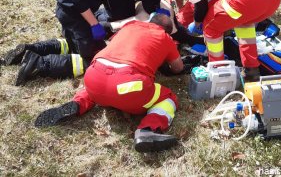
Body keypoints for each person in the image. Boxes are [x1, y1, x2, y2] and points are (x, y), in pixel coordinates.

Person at [34, 15, 183, 153]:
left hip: (94, 75)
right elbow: (178, 68)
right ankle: (148, 130)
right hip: (128, 85)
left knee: (100, 86)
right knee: (168, 98)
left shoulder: (130, 26)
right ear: (167, 31)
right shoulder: (165, 38)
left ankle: (78, 103)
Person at [183, 0, 281, 81]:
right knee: (244, 23)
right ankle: (251, 69)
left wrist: (196, 24)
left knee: (211, 25)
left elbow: (200, 5)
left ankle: (218, 71)